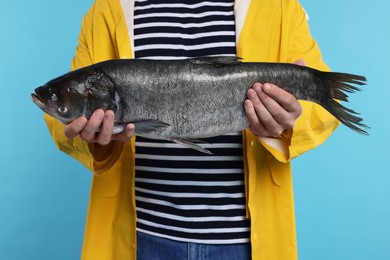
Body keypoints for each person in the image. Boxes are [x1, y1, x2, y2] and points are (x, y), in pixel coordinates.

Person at [43, 0, 339, 259]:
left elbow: (321, 110)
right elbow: (64, 121)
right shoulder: (107, 9)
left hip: (244, 243)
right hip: (142, 236)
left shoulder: (278, 5)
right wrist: (99, 141)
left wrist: (284, 123)